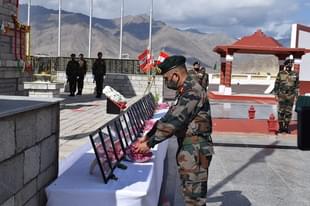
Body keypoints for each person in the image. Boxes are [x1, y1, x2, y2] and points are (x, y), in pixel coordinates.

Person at [135, 55, 214, 206]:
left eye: (166, 78)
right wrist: (148, 135)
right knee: (189, 194)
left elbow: (174, 122)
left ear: (175, 75)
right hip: (189, 148)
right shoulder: (185, 89)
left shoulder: (193, 91)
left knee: (194, 199)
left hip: (195, 151)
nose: (166, 82)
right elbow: (169, 116)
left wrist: (149, 143)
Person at [274, 59, 299, 134]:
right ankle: (281, 127)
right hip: (282, 95)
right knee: (281, 111)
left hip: (291, 96)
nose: (290, 66)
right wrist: (276, 95)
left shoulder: (295, 74)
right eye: (289, 64)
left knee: (288, 112)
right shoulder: (281, 73)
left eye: (291, 64)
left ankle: (286, 127)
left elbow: (297, 86)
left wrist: (296, 96)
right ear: (286, 65)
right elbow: (276, 84)